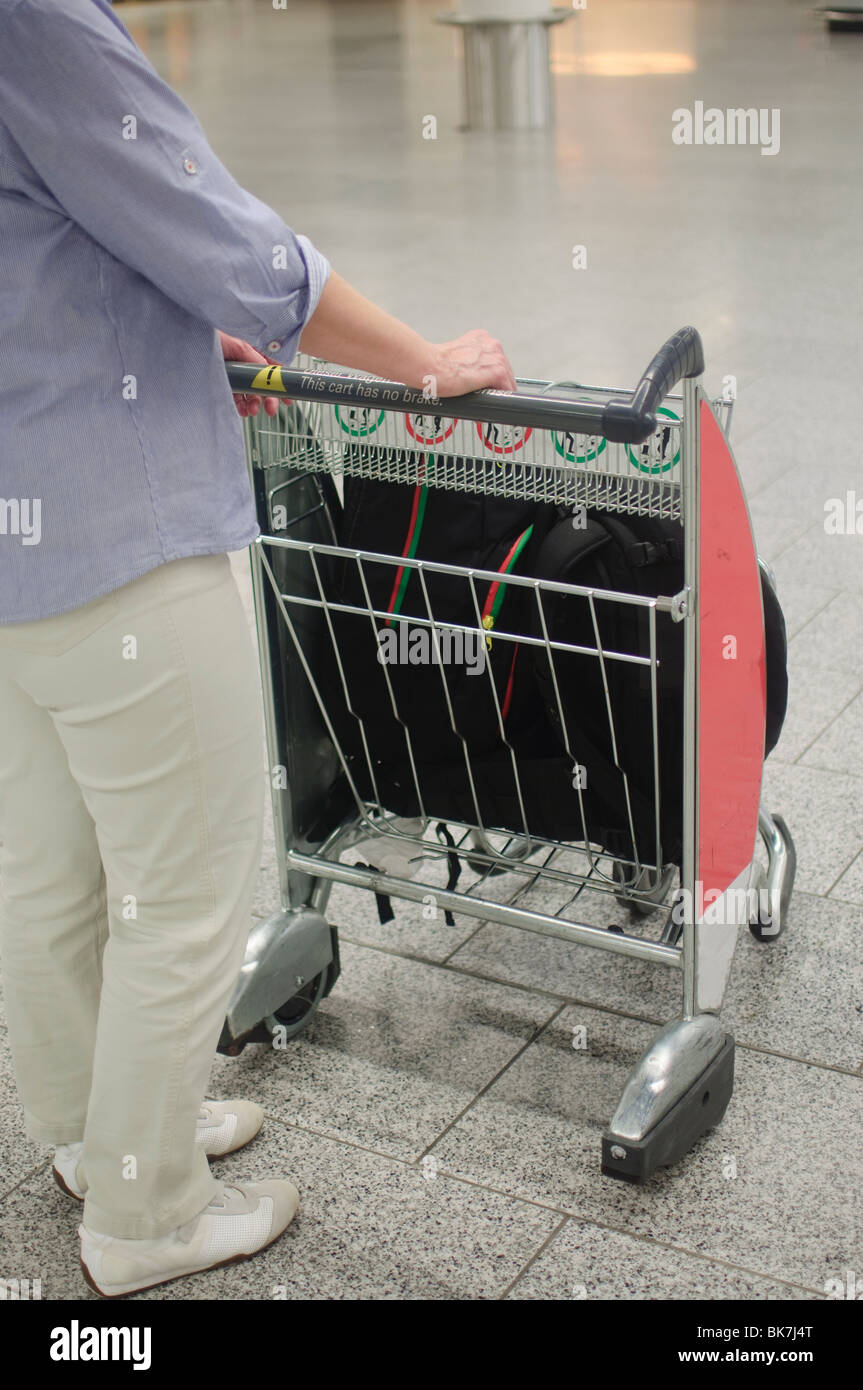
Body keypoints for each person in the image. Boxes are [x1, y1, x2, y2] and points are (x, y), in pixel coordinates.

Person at [0, 0, 516, 1298]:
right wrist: (421, 361)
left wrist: (157, 318)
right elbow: (218, 232)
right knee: (183, 891)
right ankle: (147, 1211)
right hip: (119, 525)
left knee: (50, 867)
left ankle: (96, 1134)